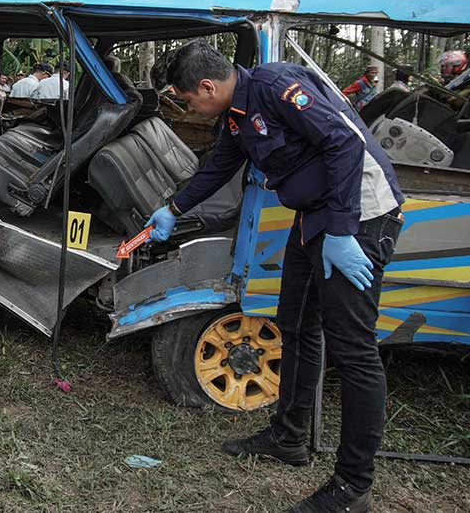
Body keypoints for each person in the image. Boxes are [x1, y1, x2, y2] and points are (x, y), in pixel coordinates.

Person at [145, 41, 403, 513]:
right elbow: (219, 167)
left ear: (207, 87)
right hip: (315, 215)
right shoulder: (237, 114)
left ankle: (353, 487)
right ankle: (289, 436)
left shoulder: (275, 86)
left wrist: (342, 230)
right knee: (296, 324)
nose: (191, 110)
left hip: (358, 215)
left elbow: (344, 143)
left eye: (188, 101)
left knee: (354, 350)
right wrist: (173, 208)